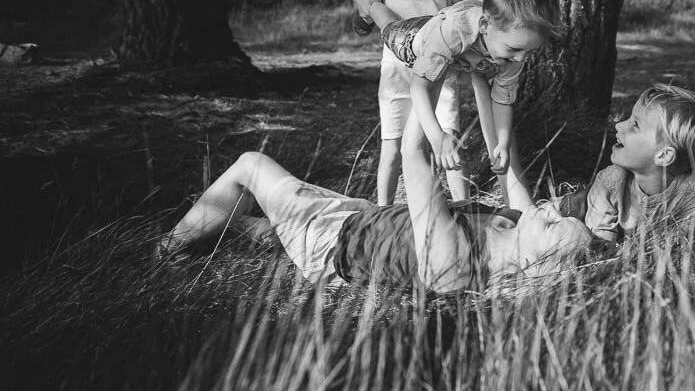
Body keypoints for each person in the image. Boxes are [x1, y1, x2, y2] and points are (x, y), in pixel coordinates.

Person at [158, 113, 591, 293]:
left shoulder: (453, 262)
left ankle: (164, 250)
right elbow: (511, 169)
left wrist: (427, 69)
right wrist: (497, 114)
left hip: (329, 244)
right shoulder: (512, 226)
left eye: (552, 225)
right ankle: (220, 218)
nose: (552, 208)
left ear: (534, 266)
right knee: (270, 228)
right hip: (362, 216)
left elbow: (413, 157)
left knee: (250, 166)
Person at [332, 0, 485, 205]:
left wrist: (469, 16)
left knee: (449, 138)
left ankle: (464, 208)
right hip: (397, 67)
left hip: (440, 67)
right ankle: (381, 212)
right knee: (392, 146)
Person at [356, 0, 563, 185]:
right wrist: (437, 138)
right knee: (389, 26)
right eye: (514, 49)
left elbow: (502, 100)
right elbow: (419, 88)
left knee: (433, 32)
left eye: (528, 52)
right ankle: (371, 4)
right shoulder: (456, 32)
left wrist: (502, 143)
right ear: (485, 26)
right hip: (413, 41)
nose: (521, 59)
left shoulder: (513, 51)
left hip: (442, 31)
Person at [567, 83, 695, 272]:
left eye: (635, 124)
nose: (619, 125)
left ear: (663, 155)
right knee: (559, 222)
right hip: (576, 212)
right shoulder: (610, 182)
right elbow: (599, 251)